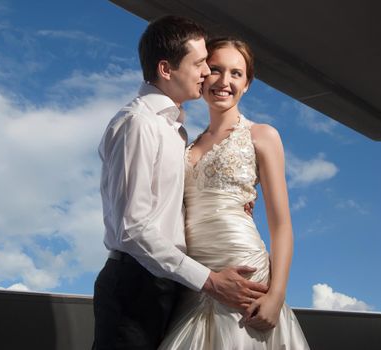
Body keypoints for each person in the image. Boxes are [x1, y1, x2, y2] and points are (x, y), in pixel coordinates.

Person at [93, 17, 269, 350]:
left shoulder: (176, 131)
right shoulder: (140, 124)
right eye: (200, 63)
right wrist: (211, 282)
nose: (206, 73)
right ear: (166, 68)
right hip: (136, 285)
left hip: (168, 284)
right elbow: (132, 229)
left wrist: (231, 203)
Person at [158, 37, 310, 349]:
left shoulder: (262, 136)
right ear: (202, 74)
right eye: (214, 69)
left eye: (236, 73)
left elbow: (281, 225)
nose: (224, 81)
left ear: (248, 83)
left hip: (244, 271)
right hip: (197, 279)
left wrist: (277, 295)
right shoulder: (183, 143)